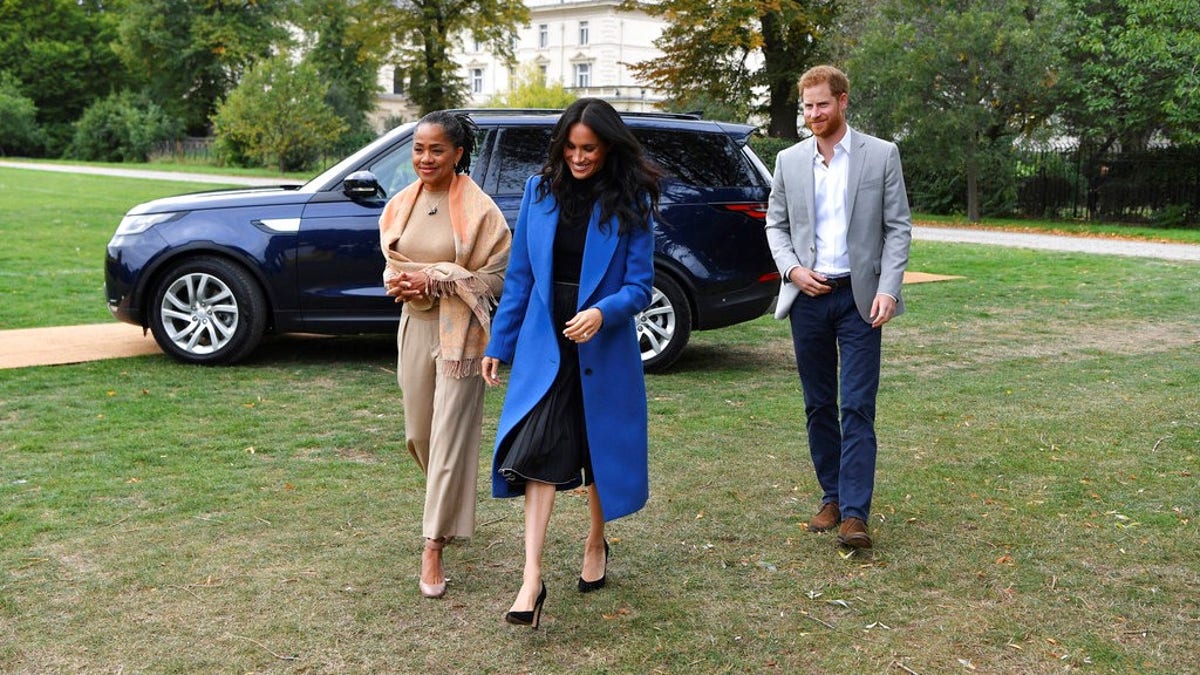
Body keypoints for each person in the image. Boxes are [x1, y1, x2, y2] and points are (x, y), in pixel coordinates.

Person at [481, 98, 659, 628]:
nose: (579, 158)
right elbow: (520, 277)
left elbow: (640, 287)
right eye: (572, 147)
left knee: (598, 446)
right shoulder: (539, 192)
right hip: (545, 338)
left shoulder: (632, 202)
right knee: (536, 446)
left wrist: (603, 313)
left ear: (607, 149)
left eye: (590, 149)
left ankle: (597, 541)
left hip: (601, 342)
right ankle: (530, 578)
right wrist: (499, 343)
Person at [765, 65, 912, 550]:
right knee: (818, 404)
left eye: (821, 105)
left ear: (843, 101)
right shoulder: (788, 161)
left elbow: (897, 228)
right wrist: (791, 270)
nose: (813, 114)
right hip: (808, 297)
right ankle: (831, 497)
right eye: (807, 106)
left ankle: (854, 514)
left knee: (857, 405)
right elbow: (776, 226)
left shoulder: (881, 155)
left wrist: (888, 289)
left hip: (860, 298)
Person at [379, 111, 511, 598]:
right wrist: (404, 282)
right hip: (415, 325)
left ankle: (432, 545)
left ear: (457, 154)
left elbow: (497, 277)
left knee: (451, 436)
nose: (425, 158)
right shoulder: (399, 205)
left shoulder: (482, 211)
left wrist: (438, 277)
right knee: (419, 434)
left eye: (436, 150)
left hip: (463, 336)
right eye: (418, 149)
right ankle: (448, 507)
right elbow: (392, 264)